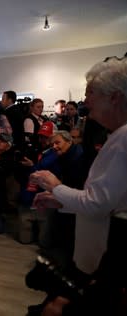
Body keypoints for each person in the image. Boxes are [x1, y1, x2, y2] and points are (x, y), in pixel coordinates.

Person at [31, 56, 127, 315]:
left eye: (91, 94)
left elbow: (98, 204)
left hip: (104, 263)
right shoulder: (116, 135)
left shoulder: (124, 137)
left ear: (115, 97)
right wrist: (60, 201)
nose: (85, 102)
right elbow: (107, 201)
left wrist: (55, 186)